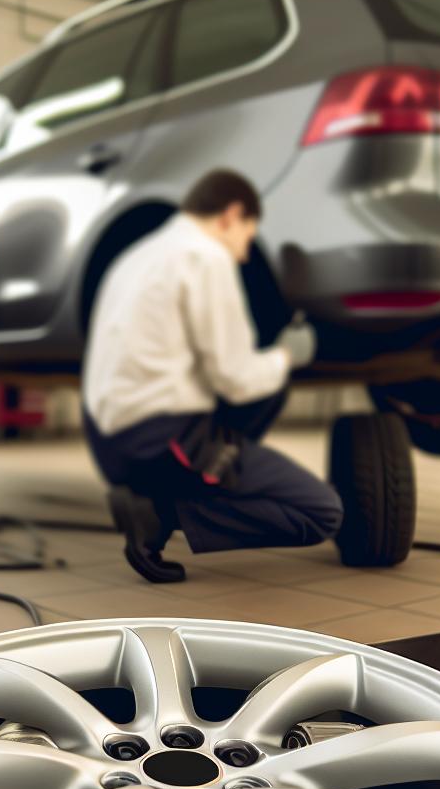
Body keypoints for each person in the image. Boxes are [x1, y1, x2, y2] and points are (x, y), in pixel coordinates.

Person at [82, 169, 343, 583]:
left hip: (108, 439)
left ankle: (178, 490)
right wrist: (287, 356)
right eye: (246, 236)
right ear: (230, 215)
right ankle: (160, 512)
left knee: (265, 390)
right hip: (160, 440)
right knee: (321, 512)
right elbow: (235, 379)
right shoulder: (205, 255)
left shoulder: (135, 256)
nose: (243, 254)